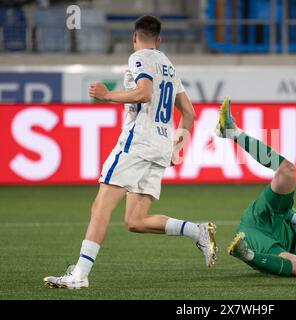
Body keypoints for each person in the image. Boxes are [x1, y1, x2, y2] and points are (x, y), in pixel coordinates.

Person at [43, 16, 217, 289]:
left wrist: (106, 95)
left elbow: (144, 93)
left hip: (137, 143)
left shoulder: (139, 58)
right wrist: (176, 148)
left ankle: (79, 275)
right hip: (159, 146)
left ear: (134, 37)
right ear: (159, 40)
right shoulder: (169, 66)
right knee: (135, 221)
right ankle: (197, 231)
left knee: (100, 207)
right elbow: (189, 113)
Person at [216, 97, 296, 276]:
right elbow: (288, 212)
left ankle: (247, 255)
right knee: (288, 170)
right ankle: (233, 132)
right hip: (265, 216)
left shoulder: (291, 250)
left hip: (258, 238)